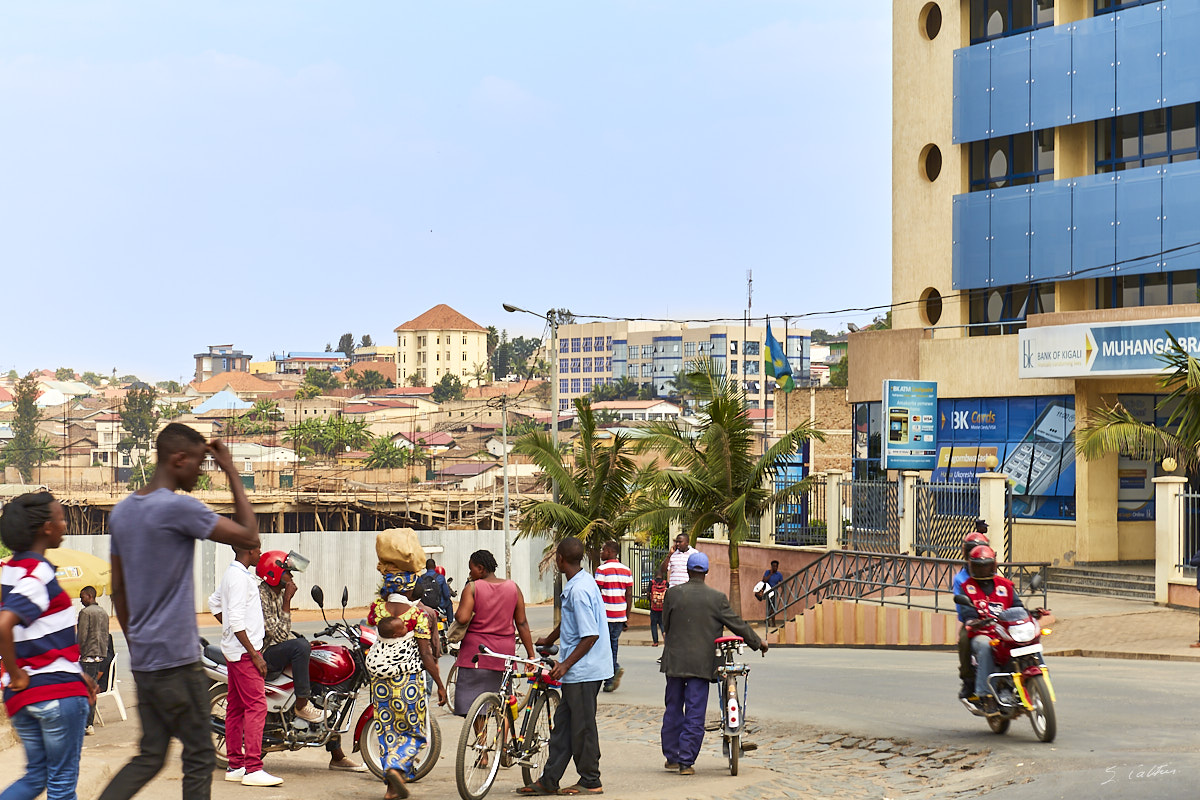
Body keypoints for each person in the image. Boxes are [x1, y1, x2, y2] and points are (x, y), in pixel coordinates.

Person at [99, 423, 260, 800]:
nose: (202, 473)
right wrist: (232, 469)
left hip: (146, 661)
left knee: (151, 756)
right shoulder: (178, 507)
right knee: (201, 756)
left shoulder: (123, 512)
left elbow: (119, 590)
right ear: (178, 459)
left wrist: (136, 645)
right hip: (178, 660)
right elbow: (250, 536)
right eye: (200, 464)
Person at [211, 550, 365, 771]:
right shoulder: (260, 595)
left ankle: (336, 754)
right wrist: (287, 601)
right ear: (274, 574)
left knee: (311, 652)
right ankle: (302, 705)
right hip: (261, 653)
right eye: (288, 574)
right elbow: (279, 635)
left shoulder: (266, 590)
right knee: (299, 647)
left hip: (264, 649)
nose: (292, 579)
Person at [0, 492, 96, 800]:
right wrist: (16, 673)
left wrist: (74, 672)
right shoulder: (38, 571)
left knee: (36, 778)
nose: (64, 524)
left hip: (23, 698)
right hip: (55, 694)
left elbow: (40, 635)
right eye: (60, 518)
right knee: (62, 787)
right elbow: (4, 623)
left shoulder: (9, 570)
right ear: (46, 528)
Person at [518, 537, 611, 796]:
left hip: (584, 670)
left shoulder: (579, 590)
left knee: (582, 727)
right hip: (579, 670)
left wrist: (566, 664)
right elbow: (573, 621)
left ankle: (591, 780)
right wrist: (550, 639)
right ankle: (549, 779)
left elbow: (589, 634)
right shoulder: (581, 582)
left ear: (559, 559)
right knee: (563, 726)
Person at [660, 551, 766, 776]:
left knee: (673, 708)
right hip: (702, 664)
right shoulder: (716, 598)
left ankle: (672, 756)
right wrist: (758, 643)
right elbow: (737, 624)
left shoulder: (672, 594)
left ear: (688, 571)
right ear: (706, 572)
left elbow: (666, 626)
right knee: (695, 712)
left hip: (675, 662)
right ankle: (686, 762)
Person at [366, 572, 447, 800]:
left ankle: (392, 788)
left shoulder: (378, 609)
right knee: (415, 733)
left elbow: (375, 627)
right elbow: (426, 654)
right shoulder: (417, 615)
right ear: (409, 590)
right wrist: (440, 684)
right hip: (407, 681)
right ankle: (396, 767)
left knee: (387, 732)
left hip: (380, 684)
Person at [215, 543, 282, 787]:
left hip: (235, 651)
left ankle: (235, 765)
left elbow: (215, 604)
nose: (261, 554)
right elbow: (234, 618)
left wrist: (230, 635)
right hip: (244, 653)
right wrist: (254, 653)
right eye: (259, 549)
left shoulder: (234, 574)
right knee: (256, 706)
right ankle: (253, 768)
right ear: (249, 551)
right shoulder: (239, 578)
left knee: (235, 707)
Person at [452, 550, 536, 716]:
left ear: (481, 568)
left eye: (472, 569)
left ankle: (481, 741)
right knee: (503, 702)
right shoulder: (513, 587)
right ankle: (503, 740)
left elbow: (462, 618)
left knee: (474, 704)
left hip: (475, 653)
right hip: (503, 653)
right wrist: (530, 654)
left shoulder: (472, 588)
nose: (470, 573)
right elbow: (522, 622)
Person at [961, 544, 1031, 715]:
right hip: (982, 633)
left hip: (1006, 632)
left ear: (993, 565)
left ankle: (1034, 682)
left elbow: (1018, 607)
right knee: (985, 646)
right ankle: (986, 696)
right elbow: (967, 612)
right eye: (979, 566)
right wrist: (973, 620)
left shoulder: (1006, 585)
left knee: (1031, 642)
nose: (983, 569)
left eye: (986, 565)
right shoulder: (967, 587)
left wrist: (1031, 613)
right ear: (972, 566)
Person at [952, 530, 991, 700]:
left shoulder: (994, 576)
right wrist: (972, 619)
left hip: (995, 620)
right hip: (974, 622)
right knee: (964, 640)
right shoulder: (961, 580)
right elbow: (962, 609)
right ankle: (968, 680)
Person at [594, 540, 632, 693]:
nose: (601, 553)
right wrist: (626, 616)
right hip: (620, 614)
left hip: (605, 614)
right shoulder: (626, 570)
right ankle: (610, 676)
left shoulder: (602, 570)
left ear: (609, 551)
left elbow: (596, 594)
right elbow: (629, 595)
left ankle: (612, 672)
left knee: (604, 647)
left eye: (603, 550)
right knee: (612, 645)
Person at [77, 584, 110, 735]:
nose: (80, 600)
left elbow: (82, 636)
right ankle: (87, 723)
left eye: (82, 596)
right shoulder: (103, 612)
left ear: (89, 596)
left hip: (87, 656)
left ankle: (87, 724)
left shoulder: (85, 613)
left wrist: (78, 652)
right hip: (100, 655)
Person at [421, 558, 454, 622]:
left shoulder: (421, 578)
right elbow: (446, 595)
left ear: (426, 567)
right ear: (435, 566)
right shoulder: (441, 577)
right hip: (440, 605)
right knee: (449, 603)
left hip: (426, 606)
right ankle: (450, 623)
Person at [759, 560, 784, 627]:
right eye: (773, 566)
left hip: (775, 592)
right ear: (771, 566)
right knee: (769, 607)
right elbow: (764, 580)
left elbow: (781, 583)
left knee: (773, 608)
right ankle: (770, 622)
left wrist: (783, 589)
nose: (775, 567)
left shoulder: (779, 574)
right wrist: (770, 574)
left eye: (776, 566)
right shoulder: (767, 572)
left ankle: (769, 620)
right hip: (768, 591)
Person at [648, 569, 668, 647]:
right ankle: (665, 638)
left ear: (655, 575)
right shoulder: (666, 583)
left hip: (654, 608)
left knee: (653, 624)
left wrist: (651, 601)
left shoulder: (652, 583)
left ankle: (655, 642)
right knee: (662, 624)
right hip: (663, 608)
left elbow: (648, 594)